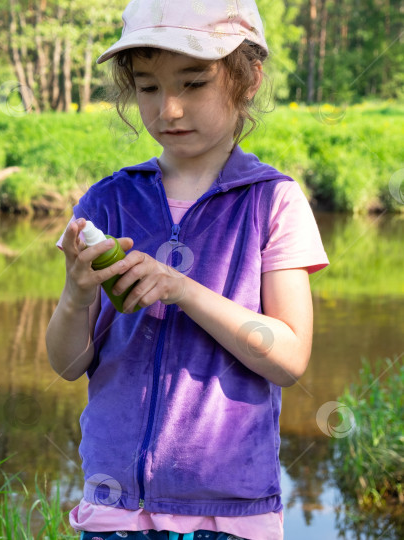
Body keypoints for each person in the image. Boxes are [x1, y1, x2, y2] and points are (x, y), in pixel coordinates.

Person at [46, 1, 329, 539]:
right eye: (149, 87)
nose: (168, 110)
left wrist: (183, 290)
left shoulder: (273, 203)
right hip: (115, 512)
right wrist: (76, 295)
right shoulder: (108, 202)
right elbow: (67, 364)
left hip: (230, 516)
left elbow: (289, 359)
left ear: (249, 79)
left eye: (193, 84)